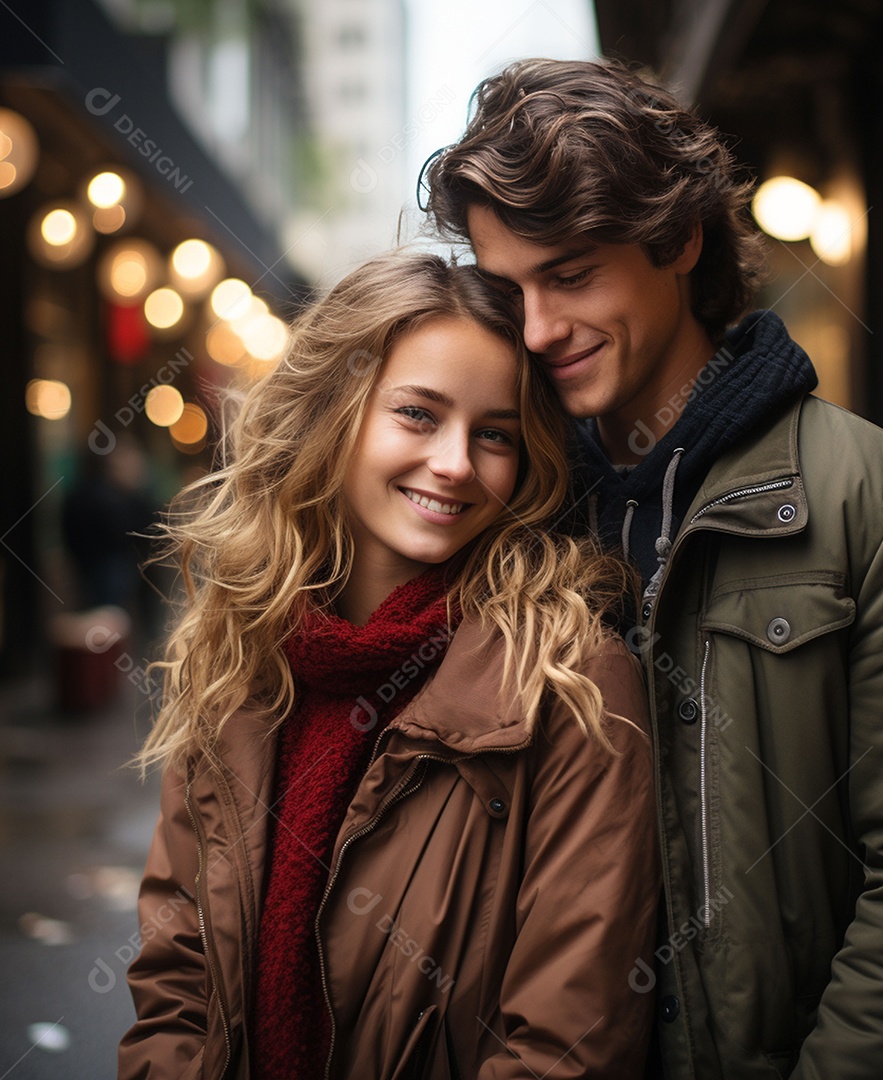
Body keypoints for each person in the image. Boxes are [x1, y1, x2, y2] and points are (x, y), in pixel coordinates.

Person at [422, 58, 883, 1080]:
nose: (536, 330)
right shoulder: (498, 510)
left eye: (570, 275)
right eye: (507, 289)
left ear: (679, 238)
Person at [117, 250, 661, 1080]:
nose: (453, 462)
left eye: (494, 435)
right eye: (417, 414)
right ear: (336, 416)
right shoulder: (241, 654)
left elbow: (568, 1047)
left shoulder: (571, 685)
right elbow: (174, 981)